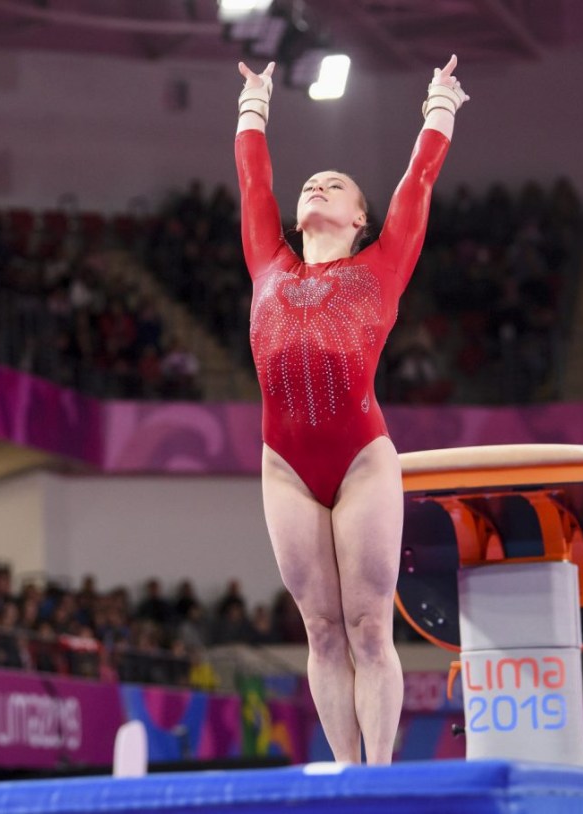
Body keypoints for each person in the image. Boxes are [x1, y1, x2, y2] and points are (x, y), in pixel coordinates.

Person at [234, 55, 467, 764]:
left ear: (360, 217)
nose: (316, 185)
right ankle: (345, 775)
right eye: (310, 182)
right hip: (286, 468)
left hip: (363, 459)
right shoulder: (267, 262)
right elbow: (253, 182)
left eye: (334, 184)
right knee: (322, 631)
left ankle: (382, 778)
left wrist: (440, 105)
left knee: (369, 626)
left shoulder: (381, 266)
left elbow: (419, 182)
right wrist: (253, 104)